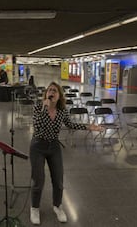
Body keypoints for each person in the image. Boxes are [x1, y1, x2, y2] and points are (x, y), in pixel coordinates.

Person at [29, 82, 103, 225]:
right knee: (38, 181)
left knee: (58, 181)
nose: (51, 92)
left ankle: (58, 206)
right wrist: (45, 107)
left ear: (59, 95)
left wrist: (88, 126)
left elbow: (70, 125)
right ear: (46, 94)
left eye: (55, 91)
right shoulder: (38, 107)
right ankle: (35, 208)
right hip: (38, 146)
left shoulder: (62, 110)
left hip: (54, 146)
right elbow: (37, 126)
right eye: (49, 90)